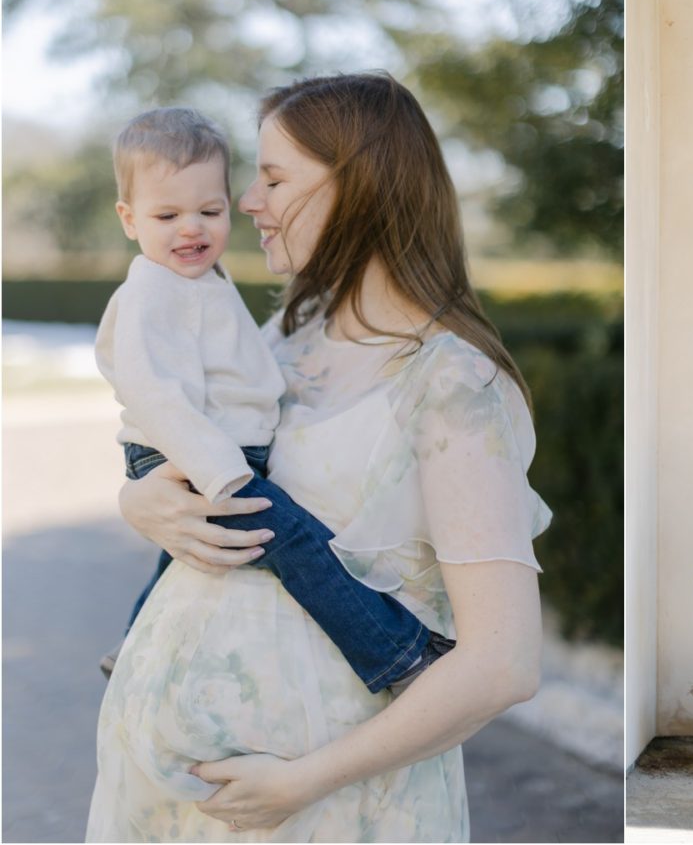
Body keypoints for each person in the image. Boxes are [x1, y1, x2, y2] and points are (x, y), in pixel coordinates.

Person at [86, 72, 550, 841]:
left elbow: (503, 664)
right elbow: (176, 447)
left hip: (329, 810)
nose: (248, 203)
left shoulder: (452, 383)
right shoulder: (280, 342)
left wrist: (301, 782)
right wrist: (139, 501)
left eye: (272, 178)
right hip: (171, 805)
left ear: (357, 187)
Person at [94, 106, 452, 694]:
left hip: (217, 451)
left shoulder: (200, 281)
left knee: (191, 553)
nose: (192, 229)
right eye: (168, 215)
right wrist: (222, 475)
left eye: (210, 211)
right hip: (199, 457)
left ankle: (134, 641)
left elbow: (237, 373)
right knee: (297, 542)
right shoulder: (149, 293)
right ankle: (397, 653)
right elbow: (152, 396)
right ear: (129, 220)